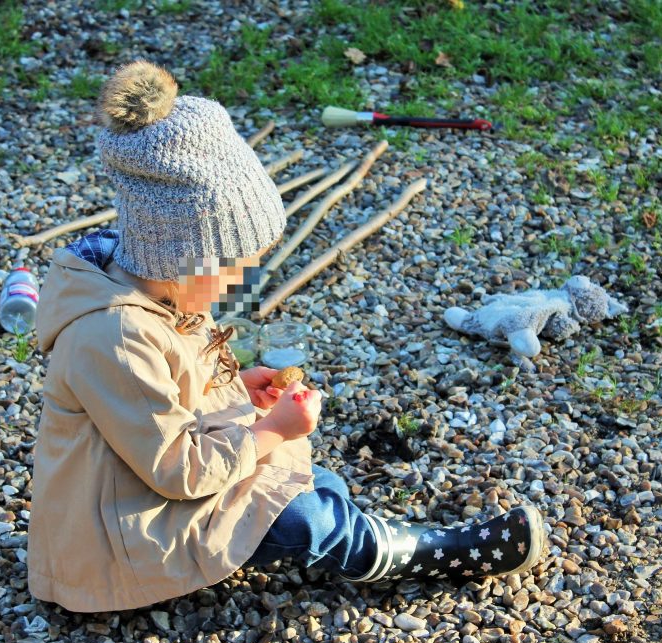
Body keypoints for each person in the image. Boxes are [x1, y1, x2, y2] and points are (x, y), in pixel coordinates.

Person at [27, 60, 546, 612]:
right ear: (182, 254)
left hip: (141, 494)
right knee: (305, 514)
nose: (238, 285)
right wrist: (271, 430)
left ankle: (352, 531)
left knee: (310, 480)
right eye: (232, 271)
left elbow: (165, 402)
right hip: (120, 541)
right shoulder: (114, 335)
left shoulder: (155, 294)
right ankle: (437, 552)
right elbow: (179, 468)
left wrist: (238, 390)